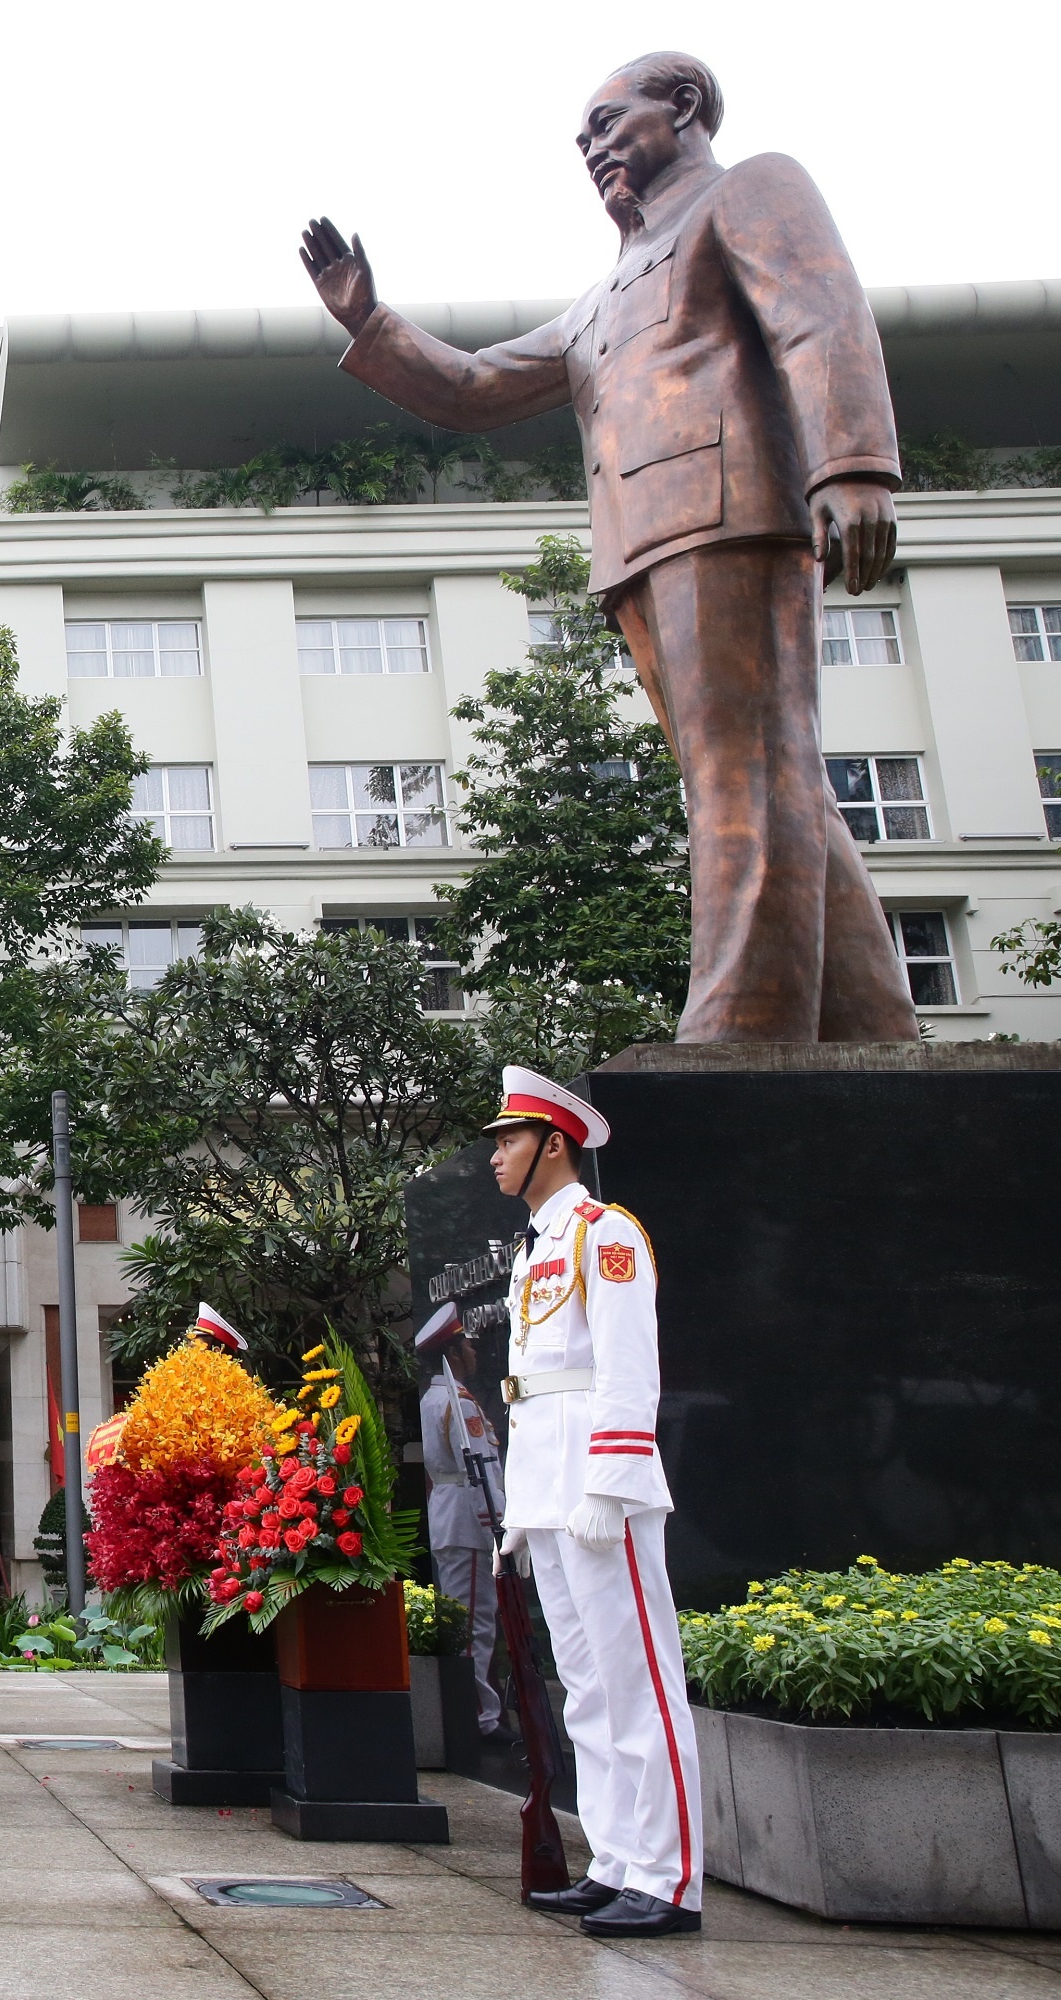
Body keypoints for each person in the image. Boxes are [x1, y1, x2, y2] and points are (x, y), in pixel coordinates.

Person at [300, 53, 916, 1044]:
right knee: (769, 777)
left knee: (740, 783)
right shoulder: (600, 298)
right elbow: (473, 388)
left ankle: (734, 1036)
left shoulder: (751, 190)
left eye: (606, 122)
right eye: (581, 138)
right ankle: (871, 1031)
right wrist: (369, 320)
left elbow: (822, 314)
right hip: (643, 549)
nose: (591, 148)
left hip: (735, 515)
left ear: (683, 107)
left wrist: (851, 461)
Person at [484, 1066, 702, 1938]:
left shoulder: (604, 1234)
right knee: (586, 1689)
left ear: (555, 1144)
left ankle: (669, 1878)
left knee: (639, 1682)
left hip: (597, 1487)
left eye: (509, 1140)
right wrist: (523, 1510)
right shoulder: (536, 1246)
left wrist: (610, 1484)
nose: (497, 1155)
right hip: (548, 1492)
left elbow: (625, 1365)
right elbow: (534, 1389)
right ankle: (617, 1861)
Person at [414, 1305, 509, 1742]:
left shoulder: (433, 1400)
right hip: (469, 1518)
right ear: (452, 1352)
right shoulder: (458, 1402)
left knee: (464, 1616)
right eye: (466, 1343)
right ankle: (477, 1716)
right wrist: (499, 1522)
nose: (473, 1350)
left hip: (450, 1514)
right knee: (474, 1621)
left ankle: (474, 1710)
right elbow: (482, 1466)